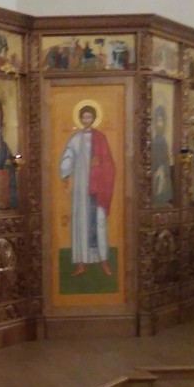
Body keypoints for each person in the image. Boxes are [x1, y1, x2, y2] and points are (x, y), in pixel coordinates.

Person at [59, 103, 115, 277]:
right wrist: (65, 173)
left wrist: (98, 167)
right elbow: (68, 156)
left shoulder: (101, 138)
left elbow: (109, 163)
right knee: (81, 222)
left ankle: (103, 261)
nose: (86, 120)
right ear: (81, 119)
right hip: (82, 189)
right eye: (84, 117)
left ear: (94, 119)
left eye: (89, 117)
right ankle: (81, 263)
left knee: (99, 222)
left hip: (98, 188)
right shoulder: (76, 139)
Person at [151, 104, 174, 206]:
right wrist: (158, 171)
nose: (160, 124)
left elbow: (166, 160)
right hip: (156, 174)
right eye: (158, 120)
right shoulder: (155, 141)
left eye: (162, 121)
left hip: (164, 173)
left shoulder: (164, 141)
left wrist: (164, 169)